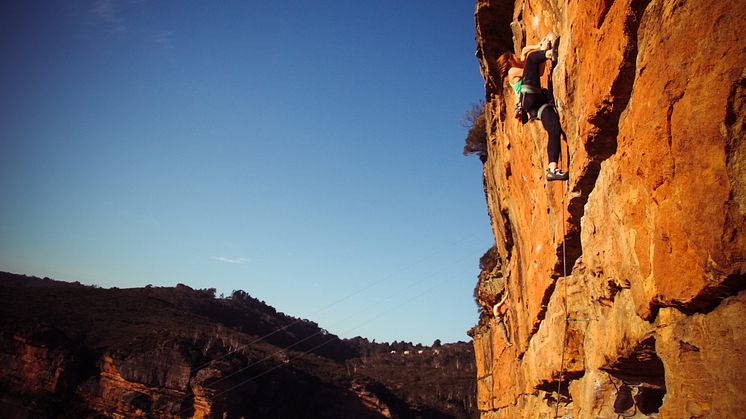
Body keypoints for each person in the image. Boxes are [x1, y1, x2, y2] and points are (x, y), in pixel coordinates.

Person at [497, 34, 568, 181]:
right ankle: (550, 53)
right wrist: (545, 49)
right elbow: (531, 60)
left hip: (536, 105)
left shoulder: (523, 68)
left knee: (554, 128)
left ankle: (552, 169)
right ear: (510, 61)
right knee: (532, 59)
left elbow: (527, 55)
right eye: (513, 57)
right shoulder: (512, 72)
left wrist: (538, 47)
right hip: (529, 97)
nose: (517, 57)